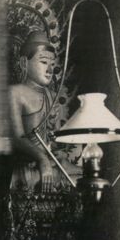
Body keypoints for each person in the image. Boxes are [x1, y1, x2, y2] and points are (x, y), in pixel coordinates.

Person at [9, 30, 77, 192]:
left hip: (51, 163)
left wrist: (58, 154)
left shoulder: (52, 95)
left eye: (52, 64)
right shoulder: (15, 93)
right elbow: (17, 138)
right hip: (27, 164)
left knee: (83, 176)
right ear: (24, 62)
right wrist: (42, 159)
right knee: (27, 178)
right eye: (44, 62)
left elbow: (53, 139)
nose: (50, 69)